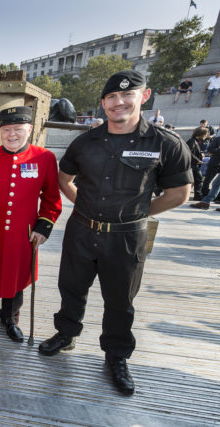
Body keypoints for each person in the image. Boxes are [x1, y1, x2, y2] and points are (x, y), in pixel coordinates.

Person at [38, 70, 192, 396]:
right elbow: (64, 179)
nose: (118, 102)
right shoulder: (85, 142)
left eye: (127, 95)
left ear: (144, 96)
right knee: (71, 287)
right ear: (104, 102)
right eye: (111, 97)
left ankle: (116, 355)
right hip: (81, 230)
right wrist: (86, 209)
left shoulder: (165, 143)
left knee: (120, 300)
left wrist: (137, 215)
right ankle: (66, 334)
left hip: (126, 237)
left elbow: (180, 193)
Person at [0, 106, 62, 341]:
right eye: (6, 129)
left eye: (18, 129)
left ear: (30, 129)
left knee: (15, 281)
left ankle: (9, 318)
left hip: (21, 236)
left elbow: (51, 198)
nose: (12, 134)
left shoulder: (44, 158)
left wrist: (42, 228)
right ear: (0, 131)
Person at [186, 127, 207, 200]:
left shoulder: (195, 141)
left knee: (197, 179)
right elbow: (189, 152)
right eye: (204, 135)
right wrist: (197, 160)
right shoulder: (192, 141)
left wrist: (200, 155)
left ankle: (197, 195)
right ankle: (197, 195)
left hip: (193, 164)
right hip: (192, 164)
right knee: (198, 179)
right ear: (200, 134)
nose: (206, 136)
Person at [201, 133, 220, 198]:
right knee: (208, 180)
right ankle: (204, 194)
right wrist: (218, 149)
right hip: (215, 163)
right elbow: (210, 149)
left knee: (217, 183)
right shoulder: (217, 139)